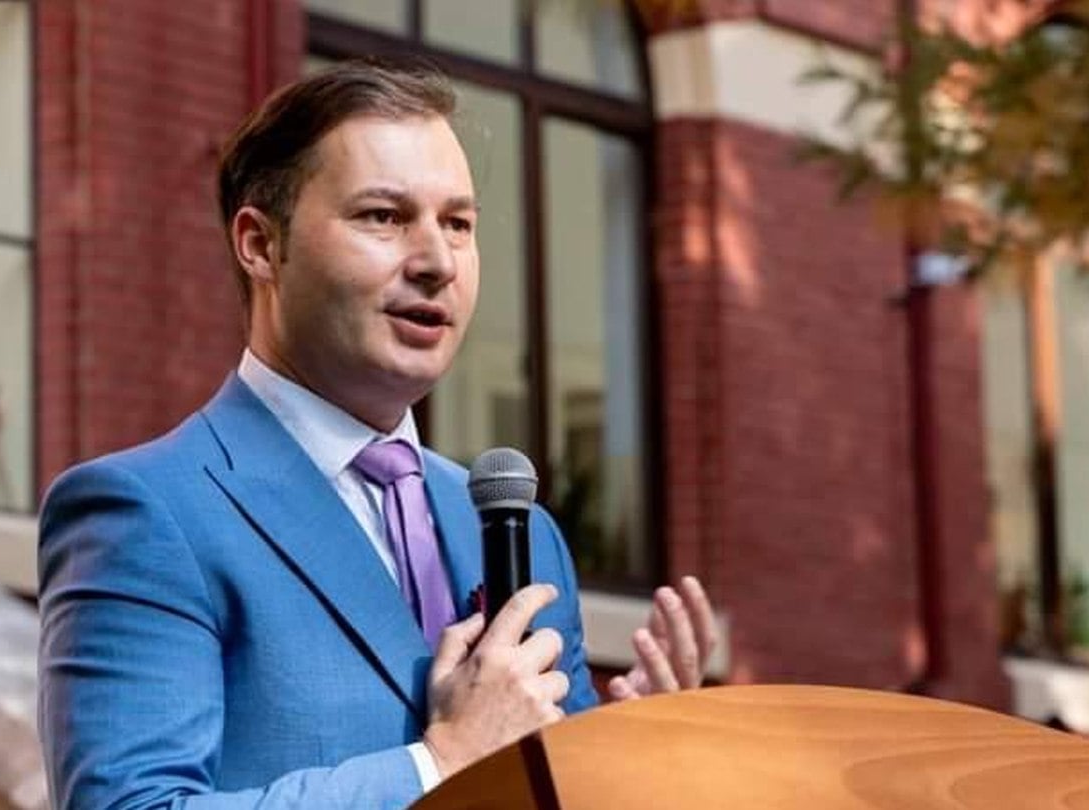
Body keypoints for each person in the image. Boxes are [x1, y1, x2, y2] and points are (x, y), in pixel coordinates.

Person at [37, 60, 718, 810]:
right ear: (260, 244)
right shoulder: (145, 512)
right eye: (384, 217)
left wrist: (620, 761)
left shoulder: (524, 531)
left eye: (457, 224)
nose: (437, 263)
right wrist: (443, 762)